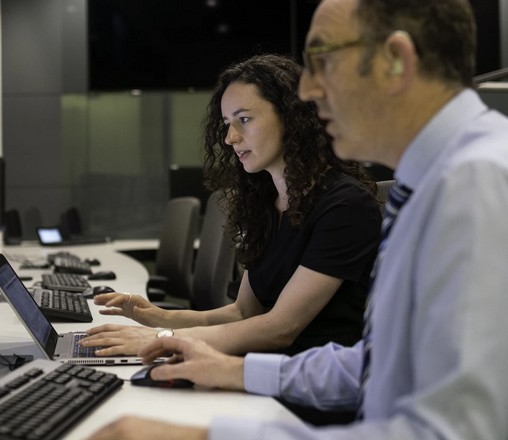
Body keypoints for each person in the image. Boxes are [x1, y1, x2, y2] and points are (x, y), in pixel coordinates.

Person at [86, 0, 508, 439]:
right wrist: (233, 370)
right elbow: (373, 365)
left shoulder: (476, 184)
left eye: (323, 61)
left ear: (396, 60)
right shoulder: (429, 185)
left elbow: (453, 432)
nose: (307, 90)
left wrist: (208, 437)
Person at [80, 53, 381, 359]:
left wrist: (162, 339)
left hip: (308, 378)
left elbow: (282, 327)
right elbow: (243, 313)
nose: (230, 138)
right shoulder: (265, 204)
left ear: (292, 117)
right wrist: (158, 317)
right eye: (227, 124)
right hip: (260, 367)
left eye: (244, 120)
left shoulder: (345, 205)